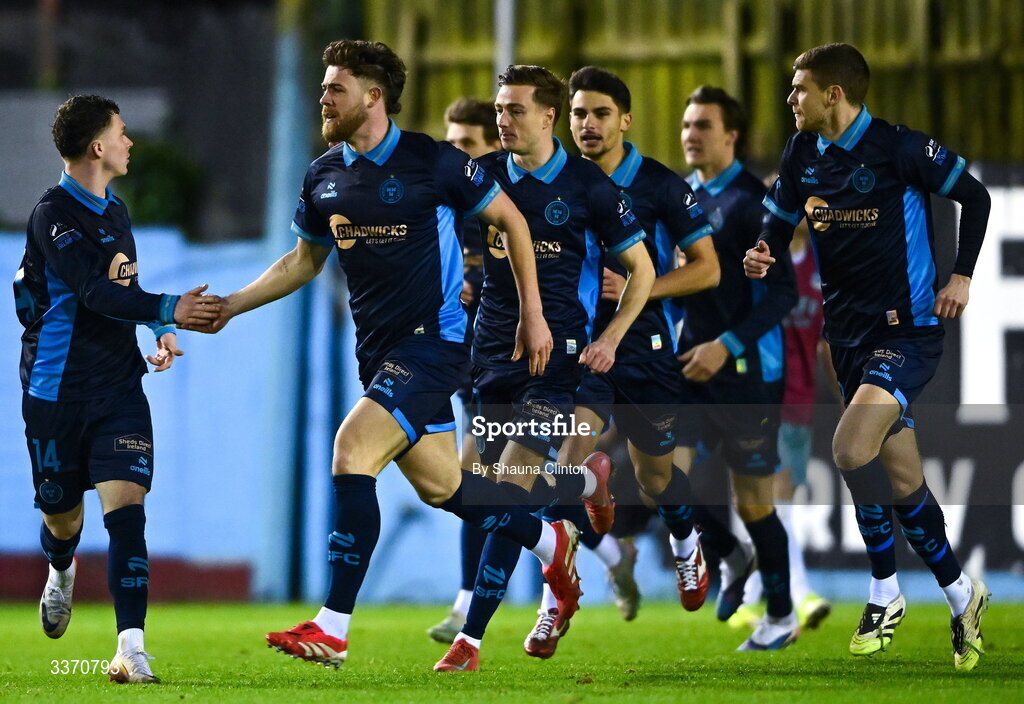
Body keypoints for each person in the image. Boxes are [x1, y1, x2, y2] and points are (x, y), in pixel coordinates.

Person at [188, 39, 585, 669]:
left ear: (373, 96)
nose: (324, 97)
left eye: (335, 88)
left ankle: (333, 626)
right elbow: (303, 261)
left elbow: (514, 222)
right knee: (446, 487)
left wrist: (533, 316)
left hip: (435, 345)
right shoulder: (323, 174)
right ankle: (549, 538)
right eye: (322, 88)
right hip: (376, 353)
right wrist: (232, 306)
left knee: (352, 450)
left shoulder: (436, 162)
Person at [744, 42, 991, 670]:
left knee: (850, 447)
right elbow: (777, 220)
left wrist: (960, 276)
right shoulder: (803, 152)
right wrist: (764, 251)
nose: (789, 98)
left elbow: (978, 197)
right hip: (846, 336)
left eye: (799, 89)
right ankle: (963, 595)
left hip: (906, 332)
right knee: (903, 480)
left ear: (834, 94)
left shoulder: (899, 148)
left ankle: (885, 589)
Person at [433, 63, 655, 672]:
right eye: (499, 109)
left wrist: (610, 337)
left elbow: (644, 270)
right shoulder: (487, 176)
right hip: (490, 357)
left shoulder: (589, 188)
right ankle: (585, 487)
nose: (502, 120)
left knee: (507, 486)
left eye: (514, 110)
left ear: (548, 116)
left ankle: (471, 638)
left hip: (554, 363)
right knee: (473, 489)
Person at [519, 65, 721, 659]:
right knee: (563, 463)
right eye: (579, 113)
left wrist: (637, 287)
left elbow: (707, 267)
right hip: (577, 350)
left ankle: (686, 542)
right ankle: (554, 604)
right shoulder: (554, 180)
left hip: (644, 348)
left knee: (657, 478)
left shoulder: (658, 185)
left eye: (601, 113)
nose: (588, 124)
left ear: (625, 120)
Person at [18, 94, 221, 684]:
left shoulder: (116, 210)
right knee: (61, 516)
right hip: (55, 392)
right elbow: (95, 293)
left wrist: (159, 327)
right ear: (97, 147)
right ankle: (61, 569)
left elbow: (124, 285)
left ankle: (130, 648)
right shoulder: (52, 215)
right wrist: (171, 308)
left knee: (128, 509)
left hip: (117, 388)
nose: (130, 142)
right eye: (122, 133)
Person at [675, 85, 799, 650]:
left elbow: (781, 296)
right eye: (686, 125)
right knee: (659, 475)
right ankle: (729, 554)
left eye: (703, 125)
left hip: (746, 371)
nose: (691, 135)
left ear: (731, 135)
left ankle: (780, 615)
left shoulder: (755, 202)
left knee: (754, 502)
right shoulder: (680, 197)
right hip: (687, 364)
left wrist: (725, 344)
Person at [732, 214, 833, 632]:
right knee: (768, 503)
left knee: (776, 504)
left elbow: (827, 343)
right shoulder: (756, 262)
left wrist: (848, 399)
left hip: (797, 402)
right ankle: (799, 593)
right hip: (755, 394)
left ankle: (749, 597)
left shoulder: (822, 268)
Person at [427, 97, 503, 644]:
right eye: (449, 143)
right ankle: (467, 601)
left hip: (517, 359)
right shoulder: (441, 207)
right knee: (476, 478)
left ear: (494, 148)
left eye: (467, 144)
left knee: (486, 477)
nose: (456, 154)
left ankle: (468, 604)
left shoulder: (505, 205)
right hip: (463, 360)